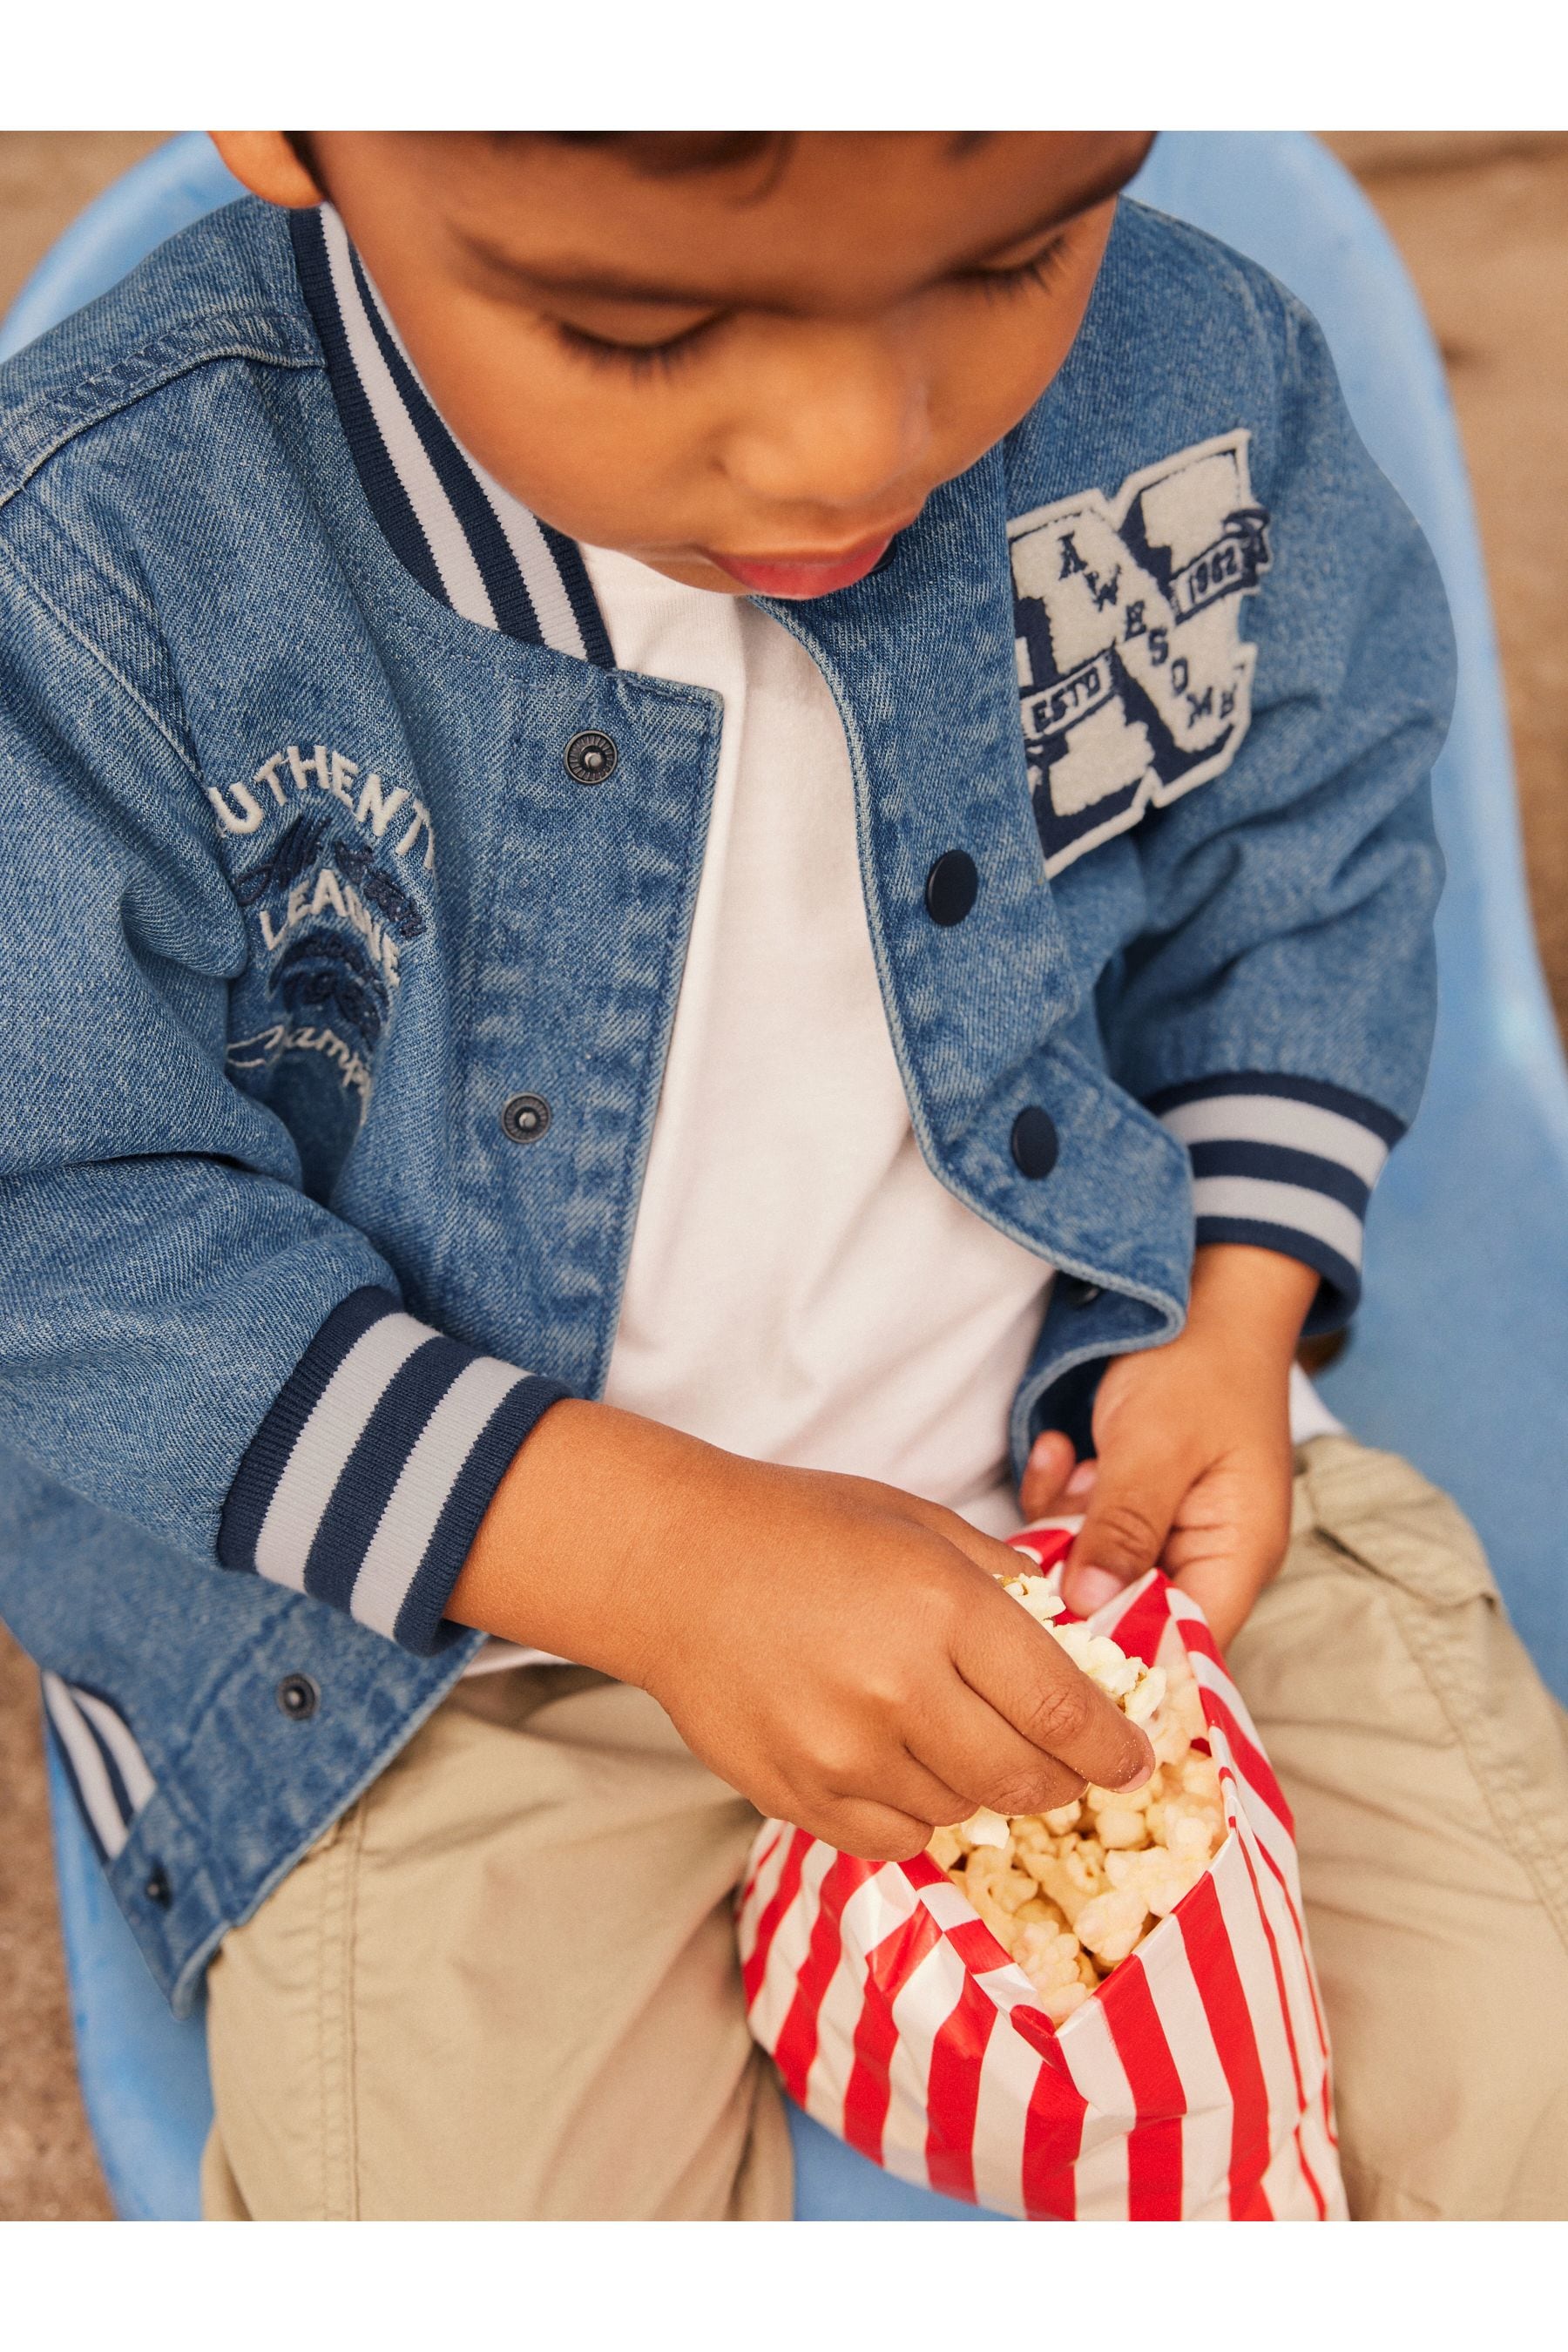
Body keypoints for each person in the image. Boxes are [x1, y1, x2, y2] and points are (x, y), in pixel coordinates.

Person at [0, 130, 1563, 2222]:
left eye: (1008, 266)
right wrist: (654, 1560)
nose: (854, 444)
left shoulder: (1207, 375)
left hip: (1089, 1473)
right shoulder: (100, 561)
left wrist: (1233, 1313)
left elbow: (1314, 839)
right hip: (464, 1641)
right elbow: (62, 1213)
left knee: (1523, 2070)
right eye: (639, 332)